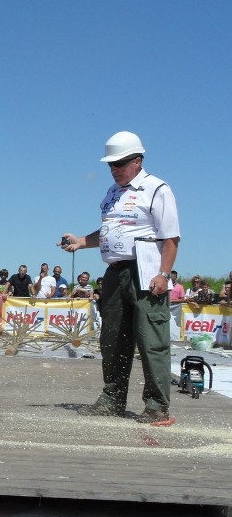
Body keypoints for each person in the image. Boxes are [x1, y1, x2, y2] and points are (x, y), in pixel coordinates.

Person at [62, 130, 179, 424]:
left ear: (137, 161)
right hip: (114, 272)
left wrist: (163, 274)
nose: (114, 169)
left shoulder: (157, 189)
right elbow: (109, 230)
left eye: (120, 163)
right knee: (112, 339)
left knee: (151, 339)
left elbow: (171, 238)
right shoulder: (113, 193)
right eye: (110, 164)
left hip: (145, 270)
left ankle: (156, 406)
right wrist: (80, 241)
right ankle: (112, 399)